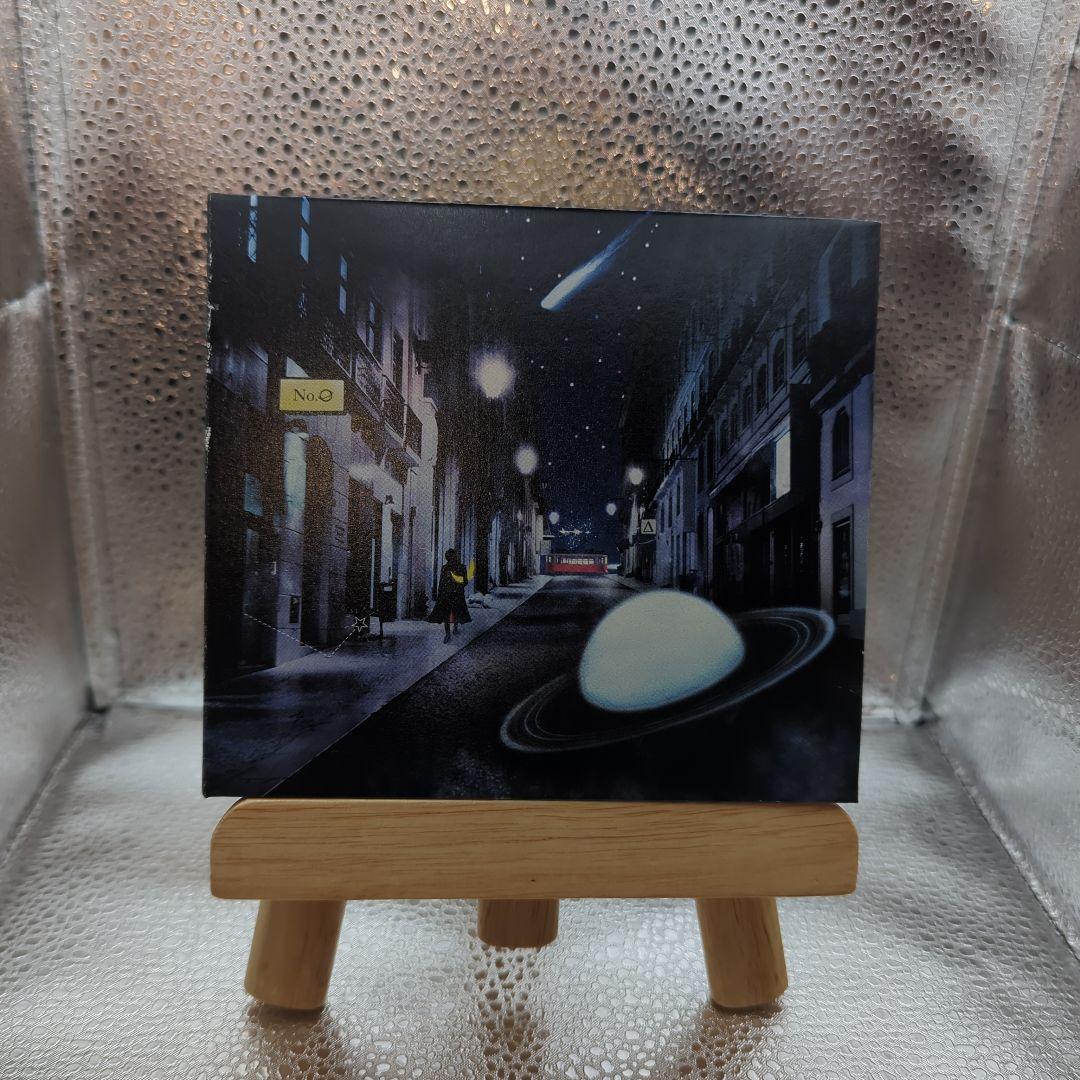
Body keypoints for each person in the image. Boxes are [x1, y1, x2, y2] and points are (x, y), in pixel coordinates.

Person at [428, 548, 472, 643]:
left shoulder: (446, 568)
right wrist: (458, 587)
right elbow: (465, 582)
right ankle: (452, 630)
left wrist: (440, 593)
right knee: (454, 612)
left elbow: (441, 582)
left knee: (447, 614)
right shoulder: (460, 567)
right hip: (454, 594)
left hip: (447, 594)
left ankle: (448, 633)